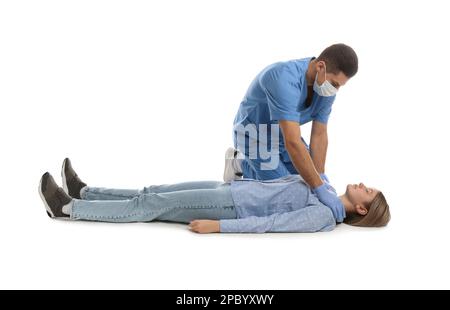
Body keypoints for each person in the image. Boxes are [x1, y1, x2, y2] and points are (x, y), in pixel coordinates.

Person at [38, 158, 390, 234]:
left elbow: (271, 223)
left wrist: (218, 227)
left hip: (228, 207)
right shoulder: (324, 189)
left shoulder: (324, 216)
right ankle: (86, 191)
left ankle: (69, 209)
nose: (362, 182)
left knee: (152, 205)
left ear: (361, 207)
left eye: (368, 190)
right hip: (230, 189)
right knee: (154, 192)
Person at [227, 43, 359, 223]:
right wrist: (318, 187)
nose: (335, 90)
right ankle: (240, 164)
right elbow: (293, 142)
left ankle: (253, 167)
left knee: (304, 186)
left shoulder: (326, 87)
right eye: (335, 84)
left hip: (283, 134)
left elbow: (319, 134)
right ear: (320, 66)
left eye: (340, 86)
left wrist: (319, 176)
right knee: (285, 193)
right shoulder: (282, 78)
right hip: (255, 133)